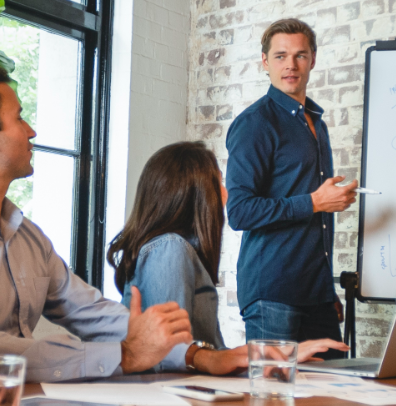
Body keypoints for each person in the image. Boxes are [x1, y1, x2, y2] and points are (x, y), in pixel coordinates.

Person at [0, 66, 245, 380]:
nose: (31, 131)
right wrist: (125, 354)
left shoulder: (27, 236)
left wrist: (198, 355)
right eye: (19, 117)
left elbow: (92, 313)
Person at [106, 141, 347, 364]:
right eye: (219, 182)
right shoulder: (170, 248)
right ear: (194, 192)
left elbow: (204, 356)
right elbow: (170, 354)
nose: (226, 192)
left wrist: (274, 358)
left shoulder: (179, 250)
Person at [226, 19, 355, 351]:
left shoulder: (317, 123)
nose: (291, 65)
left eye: (300, 55)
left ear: (313, 60)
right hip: (272, 294)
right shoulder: (254, 124)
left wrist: (327, 291)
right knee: (273, 399)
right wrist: (314, 201)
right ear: (265, 62)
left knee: (332, 398)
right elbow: (239, 212)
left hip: (317, 295)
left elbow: (317, 226)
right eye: (280, 56)